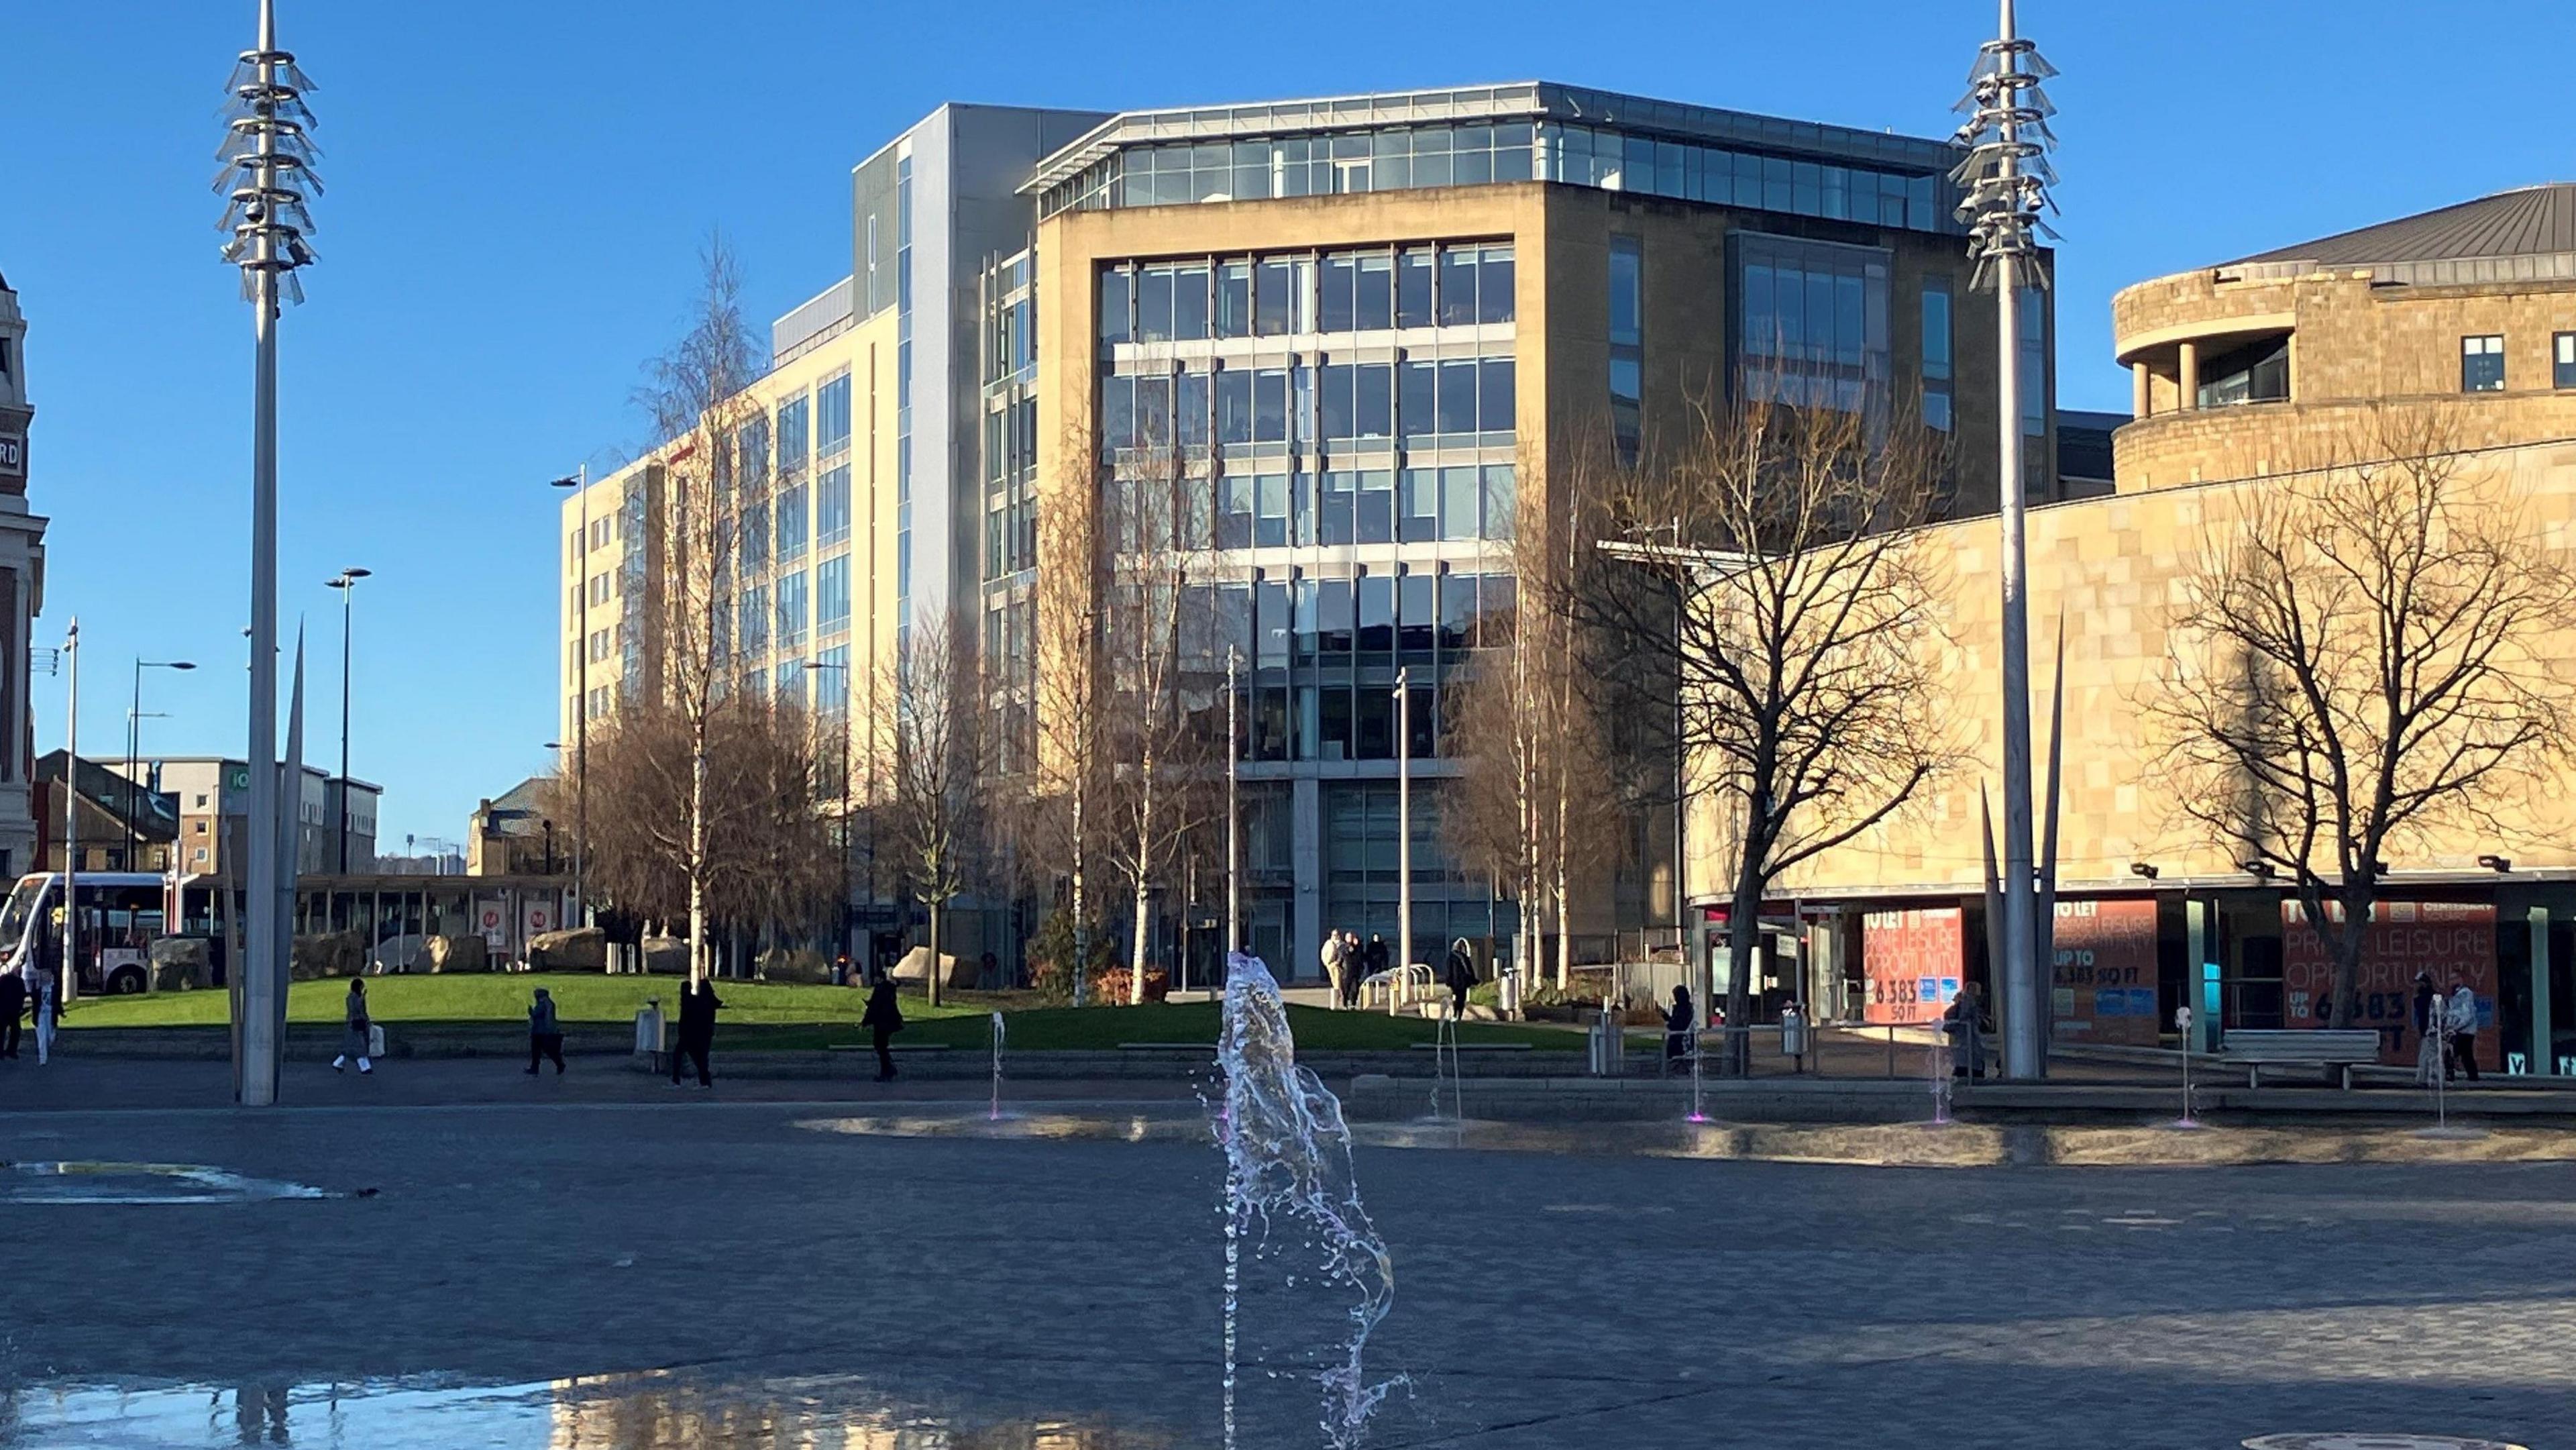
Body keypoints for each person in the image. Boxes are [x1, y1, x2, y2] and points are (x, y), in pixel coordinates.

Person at [671, 978, 722, 1088]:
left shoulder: (691, 1001)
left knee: (684, 1056)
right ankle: (705, 1081)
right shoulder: (708, 1002)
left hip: (689, 1034)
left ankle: (678, 1081)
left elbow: (686, 1017)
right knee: (700, 1058)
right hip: (703, 1033)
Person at [861, 970, 904, 1082]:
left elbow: (875, 1007)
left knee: (880, 1046)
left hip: (881, 1022)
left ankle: (887, 1070)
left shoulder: (880, 989)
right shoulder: (889, 989)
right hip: (889, 1021)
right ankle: (889, 1068)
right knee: (882, 1047)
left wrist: (865, 1022)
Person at [1943, 982, 1988, 1080]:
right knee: (1973, 1075)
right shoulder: (1970, 1006)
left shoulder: (1958, 1008)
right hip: (1969, 1053)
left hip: (1963, 1053)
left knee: (1964, 1074)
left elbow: (1948, 1025)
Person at [2445, 973, 2481, 1082]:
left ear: (2461, 979)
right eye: (2450, 979)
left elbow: (2467, 1014)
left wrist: (2456, 1027)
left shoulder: (2464, 994)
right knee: (2466, 1055)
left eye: (2455, 979)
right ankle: (2473, 1077)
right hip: (2462, 1029)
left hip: (2464, 1030)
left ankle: (2451, 1076)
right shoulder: (2455, 995)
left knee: (2451, 1053)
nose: (2452, 982)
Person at [331, 978, 373, 1074]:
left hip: (352, 1023)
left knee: (350, 1048)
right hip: (356, 1023)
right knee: (360, 1047)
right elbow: (357, 1009)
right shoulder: (354, 997)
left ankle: (338, 1063)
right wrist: (362, 999)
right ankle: (365, 1067)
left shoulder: (351, 997)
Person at [525, 987, 566, 1076]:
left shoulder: (543, 1004)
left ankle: (536, 1068)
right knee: (544, 1051)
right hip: (543, 1031)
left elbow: (536, 1014)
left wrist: (530, 1011)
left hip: (540, 1031)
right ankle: (558, 1064)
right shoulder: (549, 1003)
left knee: (539, 1051)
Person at [1664, 984, 1696, 1068]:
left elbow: (1678, 1024)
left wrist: (1669, 1022)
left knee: (1676, 1055)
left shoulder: (1684, 1009)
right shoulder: (1682, 1008)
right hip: (1678, 1036)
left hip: (1680, 1037)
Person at [1444, 939, 1477, 1020]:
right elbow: (1469, 970)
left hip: (1454, 982)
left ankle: (1455, 1014)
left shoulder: (1451, 957)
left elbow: (1449, 970)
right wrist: (1473, 980)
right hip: (1463, 982)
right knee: (1462, 999)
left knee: (1456, 998)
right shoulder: (1464, 957)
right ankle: (1459, 1015)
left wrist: (1449, 980)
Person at [1320, 930, 1347, 1008]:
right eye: (1334, 935)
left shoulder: (1343, 945)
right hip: (1331, 966)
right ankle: (1337, 999)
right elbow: (1324, 954)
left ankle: (1340, 999)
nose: (1335, 937)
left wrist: (1338, 962)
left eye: (1337, 935)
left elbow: (1342, 955)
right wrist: (1327, 962)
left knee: (1339, 983)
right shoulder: (1329, 944)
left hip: (1340, 967)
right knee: (1335, 982)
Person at [0, 967, 22, 1061]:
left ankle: (6, 1052)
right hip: (11, 1010)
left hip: (6, 1010)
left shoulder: (3, 980)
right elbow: (22, 995)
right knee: (14, 1031)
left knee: (4, 1031)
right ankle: (11, 1051)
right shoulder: (18, 981)